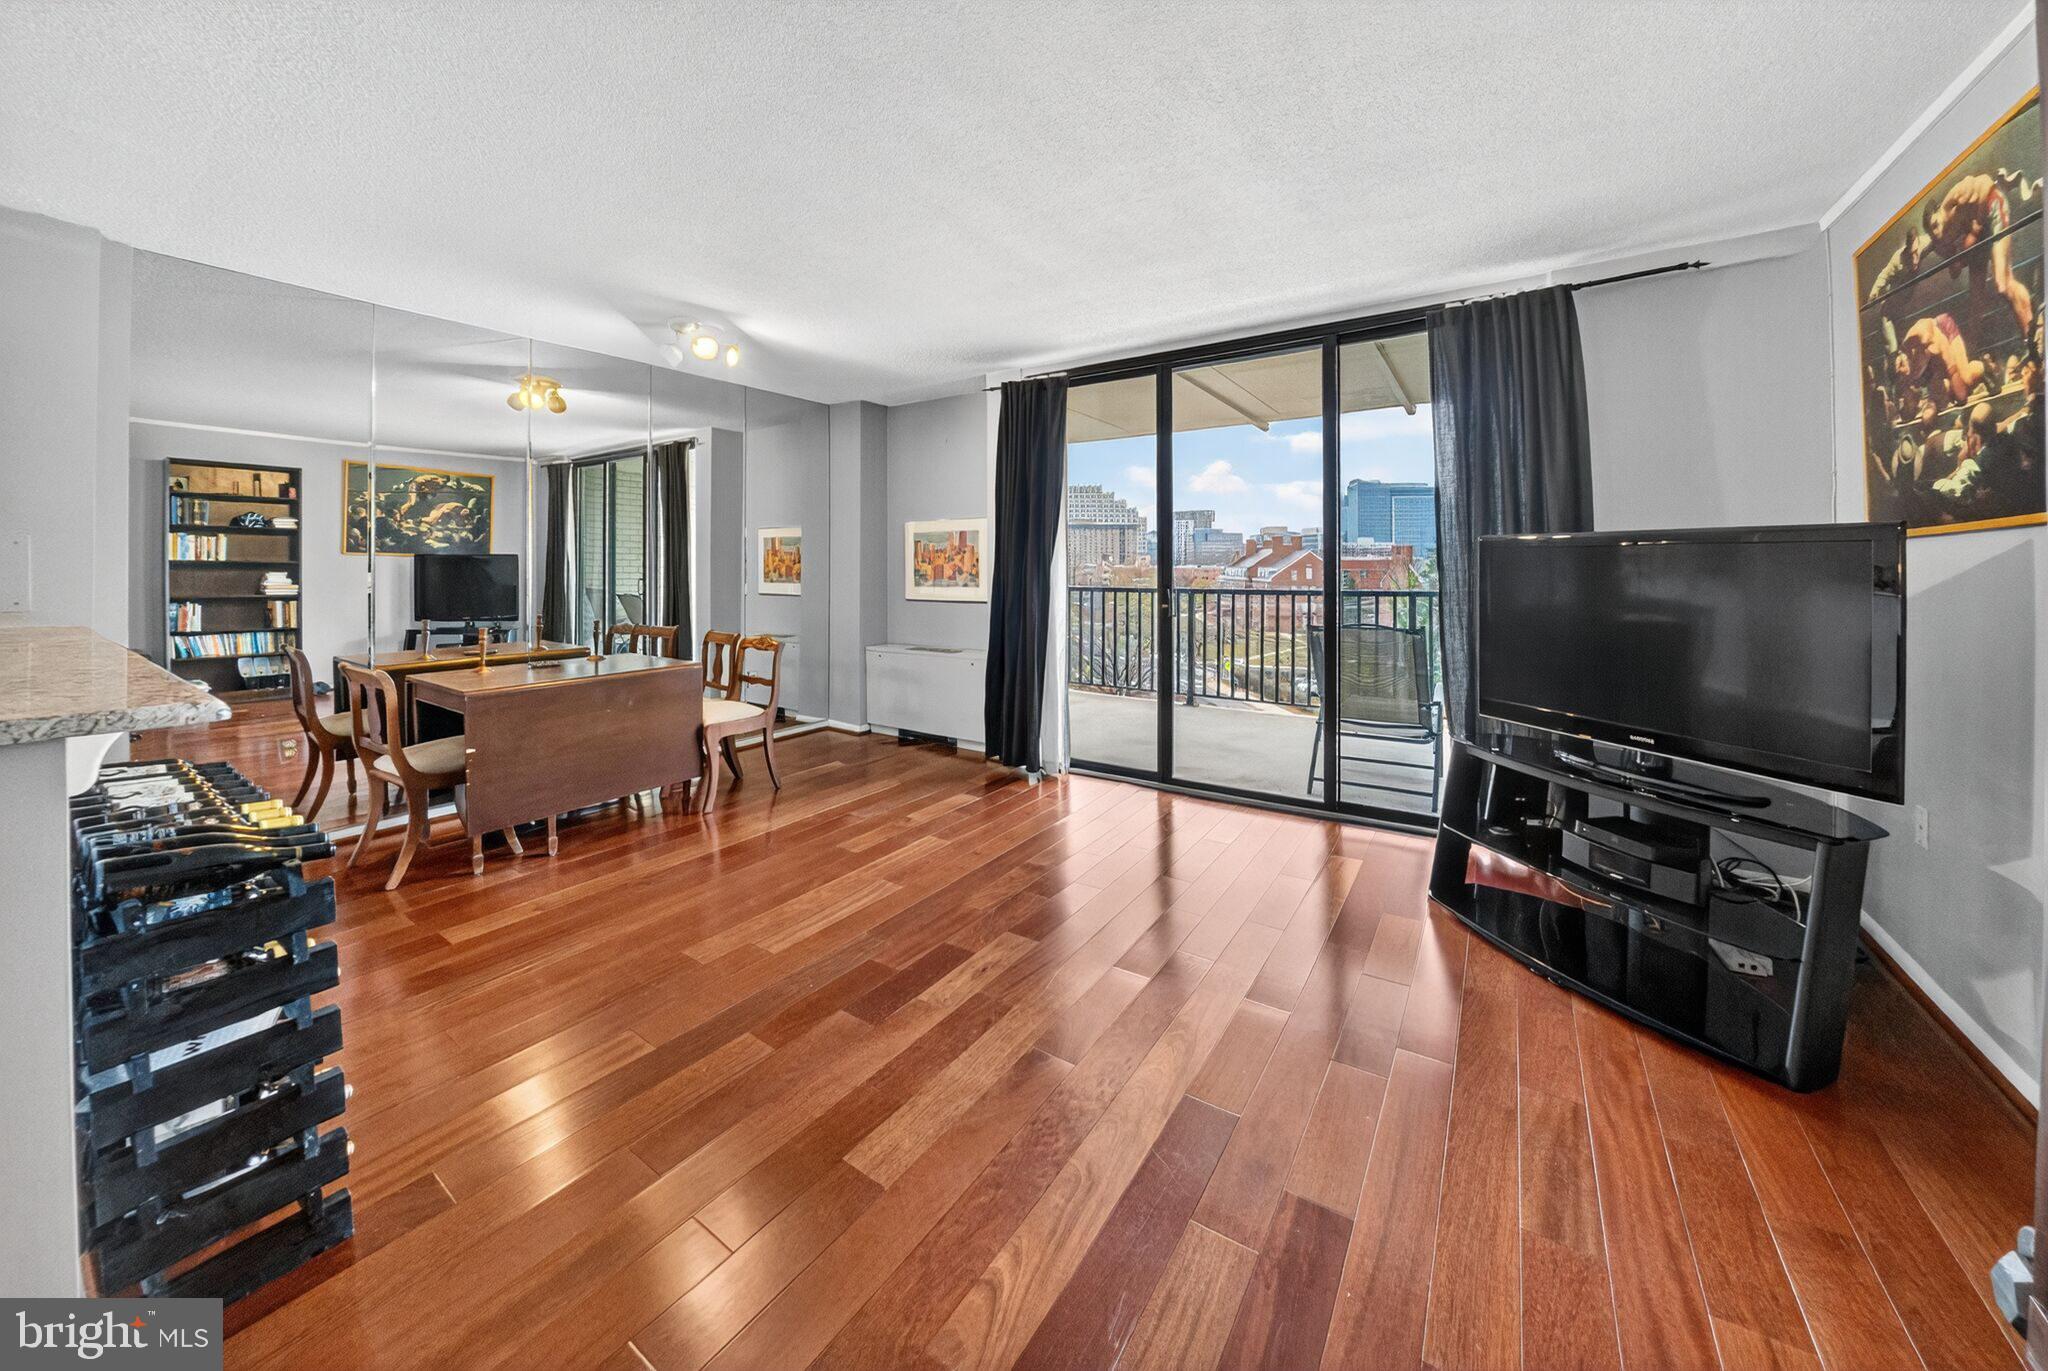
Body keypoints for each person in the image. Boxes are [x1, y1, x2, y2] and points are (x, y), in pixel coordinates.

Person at [1925, 172, 2034, 336]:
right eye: (1932, 232)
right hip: (1978, 236)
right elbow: (1955, 270)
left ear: (1940, 211)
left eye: (1935, 225)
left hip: (1991, 209)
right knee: (1976, 306)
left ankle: (2031, 331)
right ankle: (1977, 351)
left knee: (2002, 283)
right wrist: (1957, 259)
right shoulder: (1939, 242)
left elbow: (1985, 181)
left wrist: (1976, 228)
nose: (1937, 233)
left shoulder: (1952, 199)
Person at [1896, 313, 1987, 404]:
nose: (1903, 370)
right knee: (1950, 389)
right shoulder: (1912, 374)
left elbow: (1925, 323)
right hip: (1936, 352)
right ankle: (1970, 382)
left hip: (1943, 328)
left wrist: (1926, 340)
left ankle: (1985, 366)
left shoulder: (1911, 341)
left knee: (1966, 378)